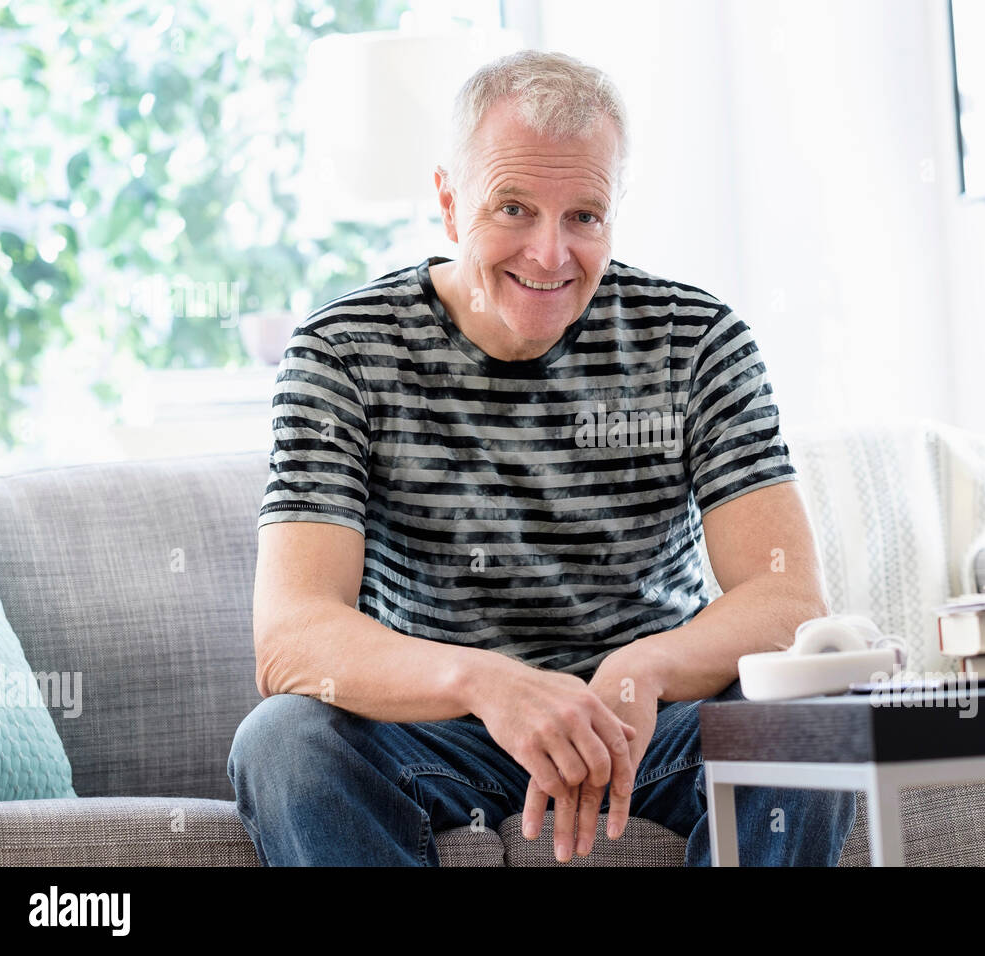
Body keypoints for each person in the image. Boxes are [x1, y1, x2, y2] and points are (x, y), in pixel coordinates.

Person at [227, 49, 855, 867]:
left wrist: (646, 669)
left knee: (814, 719)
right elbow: (292, 637)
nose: (550, 254)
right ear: (451, 202)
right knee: (283, 741)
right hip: (432, 733)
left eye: (584, 217)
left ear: (616, 210)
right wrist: (487, 684)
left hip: (648, 728)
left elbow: (787, 599)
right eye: (514, 208)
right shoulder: (343, 353)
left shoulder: (698, 342)